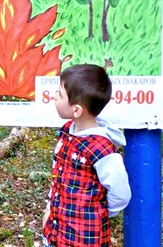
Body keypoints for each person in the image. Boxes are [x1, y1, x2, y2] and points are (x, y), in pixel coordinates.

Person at [42, 64, 131, 247]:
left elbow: (121, 194)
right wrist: (50, 210)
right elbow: (57, 177)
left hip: (85, 239)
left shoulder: (102, 149)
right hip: (57, 233)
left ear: (76, 110)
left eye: (59, 93)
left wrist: (97, 212)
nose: (54, 96)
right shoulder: (67, 131)